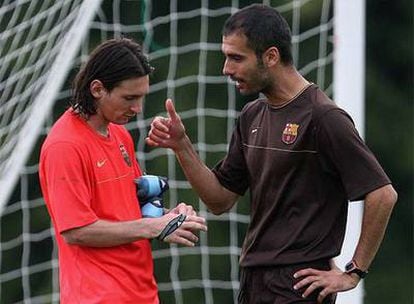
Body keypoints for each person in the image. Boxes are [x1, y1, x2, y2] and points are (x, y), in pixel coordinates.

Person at [146, 4, 397, 304]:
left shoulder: (323, 117)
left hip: (299, 287)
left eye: (236, 58)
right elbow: (219, 200)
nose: (226, 69)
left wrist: (354, 272)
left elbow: (383, 195)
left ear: (271, 56)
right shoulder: (252, 115)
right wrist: (182, 145)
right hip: (254, 281)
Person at [39, 38, 207, 304]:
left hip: (142, 293)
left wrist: (169, 219)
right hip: (97, 297)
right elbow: (76, 231)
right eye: (129, 98)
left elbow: (134, 208)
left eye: (141, 97)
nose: (138, 109)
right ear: (97, 89)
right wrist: (152, 227)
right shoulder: (64, 146)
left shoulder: (119, 133)